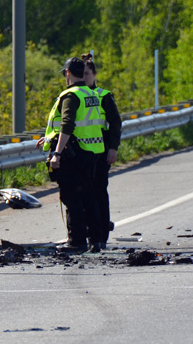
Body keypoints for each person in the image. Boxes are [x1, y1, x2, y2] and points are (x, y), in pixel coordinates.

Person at [35, 57, 105, 253]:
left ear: (67, 73)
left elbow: (67, 124)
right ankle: (96, 239)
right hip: (92, 151)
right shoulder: (89, 94)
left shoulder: (70, 96)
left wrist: (56, 152)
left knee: (71, 196)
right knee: (89, 195)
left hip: (74, 153)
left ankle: (76, 241)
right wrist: (49, 138)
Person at [81, 53, 122, 250]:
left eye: (88, 74)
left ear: (94, 74)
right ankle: (89, 234)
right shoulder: (75, 95)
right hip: (81, 153)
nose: (85, 77)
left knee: (98, 193)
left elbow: (115, 123)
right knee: (83, 195)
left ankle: (101, 234)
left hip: (101, 151)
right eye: (82, 74)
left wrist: (113, 148)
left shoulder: (103, 96)